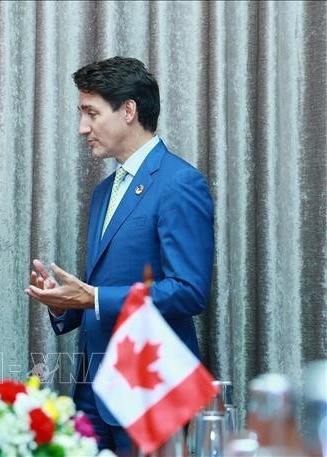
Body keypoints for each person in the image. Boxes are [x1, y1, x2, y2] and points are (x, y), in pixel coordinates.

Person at [25, 56, 214, 453]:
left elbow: (188, 290)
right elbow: (104, 287)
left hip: (149, 388)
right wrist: (64, 304)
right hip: (92, 389)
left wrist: (93, 297)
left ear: (128, 110)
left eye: (91, 113)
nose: (82, 128)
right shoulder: (102, 192)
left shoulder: (180, 183)